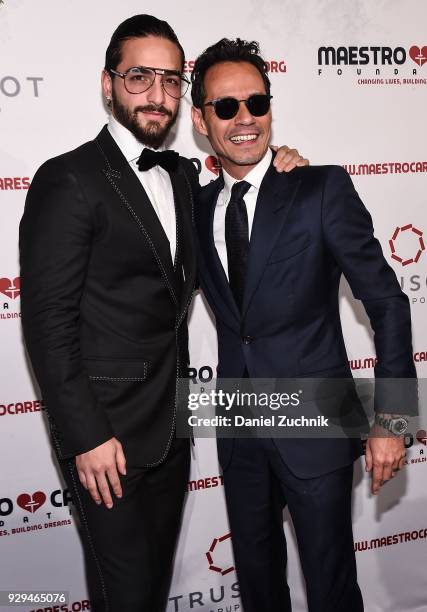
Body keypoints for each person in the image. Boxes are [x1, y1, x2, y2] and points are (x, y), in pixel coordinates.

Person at [19, 15, 305, 612]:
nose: (157, 94)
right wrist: (87, 436)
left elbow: (236, 219)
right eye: (139, 76)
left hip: (171, 429)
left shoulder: (179, 175)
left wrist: (283, 172)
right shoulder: (66, 179)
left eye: (171, 80)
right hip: (104, 441)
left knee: (149, 592)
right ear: (108, 83)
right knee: (122, 595)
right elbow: (47, 323)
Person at [191, 38, 416, 612]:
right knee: (260, 588)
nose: (245, 120)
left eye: (257, 103)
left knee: (331, 586)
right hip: (240, 429)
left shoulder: (321, 188)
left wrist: (391, 418)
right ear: (200, 120)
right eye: (225, 108)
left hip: (318, 420)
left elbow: (389, 303)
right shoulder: (194, 207)